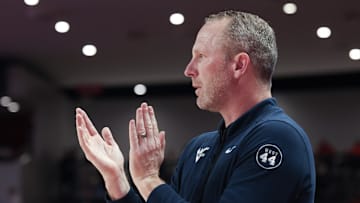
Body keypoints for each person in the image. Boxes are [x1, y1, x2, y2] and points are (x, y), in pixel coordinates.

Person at [75, 10, 316, 203]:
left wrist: (148, 179)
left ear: (239, 65)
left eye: (201, 56)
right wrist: (117, 180)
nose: (189, 70)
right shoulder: (197, 147)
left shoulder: (279, 137)